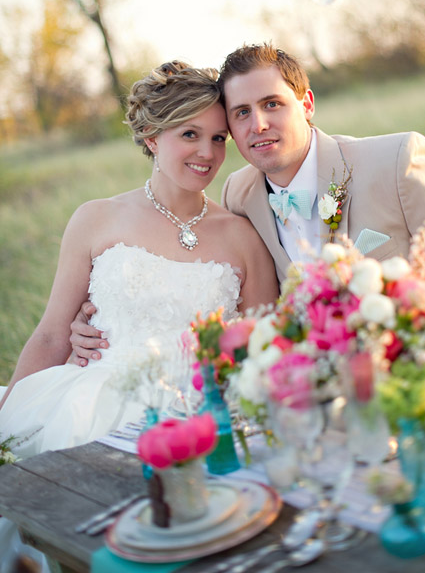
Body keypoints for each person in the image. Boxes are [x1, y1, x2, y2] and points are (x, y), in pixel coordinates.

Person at [69, 43, 425, 366]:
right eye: (240, 113)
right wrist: (105, 320)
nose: (258, 124)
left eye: (272, 104)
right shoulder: (238, 196)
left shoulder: (396, 161)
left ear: (307, 104)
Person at [0, 61, 278, 458]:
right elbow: (51, 334)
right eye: (189, 134)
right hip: (92, 411)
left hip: (205, 417)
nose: (207, 153)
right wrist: (8, 416)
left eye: (219, 138)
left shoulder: (243, 236)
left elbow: (263, 349)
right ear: (150, 136)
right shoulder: (95, 219)